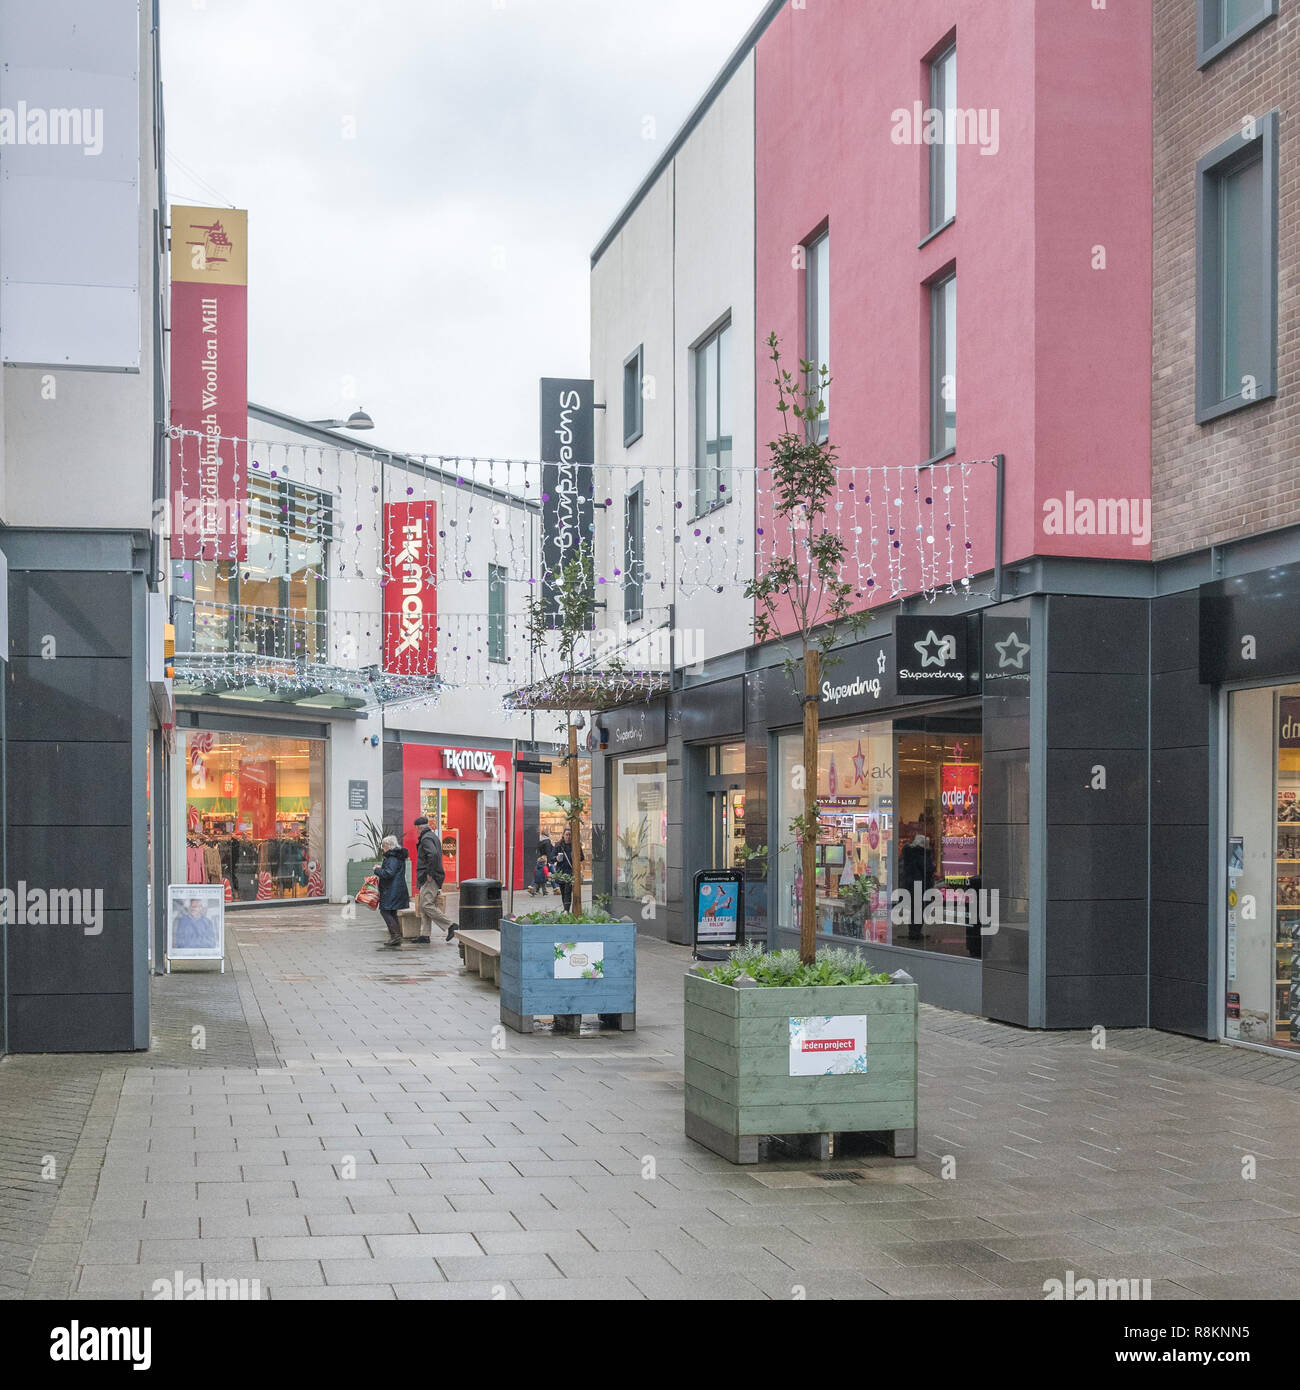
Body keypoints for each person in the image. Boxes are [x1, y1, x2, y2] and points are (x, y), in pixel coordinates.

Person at [414, 815, 456, 943]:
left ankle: (450, 925)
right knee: (425, 904)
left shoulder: (426, 838)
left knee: (426, 904)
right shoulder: (433, 836)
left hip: (429, 877)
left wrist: (430, 873)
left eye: (416, 829)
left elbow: (433, 854)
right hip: (431, 875)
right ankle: (425, 935)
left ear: (418, 828)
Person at [375, 835, 410, 949]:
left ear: (389, 846)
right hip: (395, 889)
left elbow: (389, 873)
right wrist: (382, 868)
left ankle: (395, 936)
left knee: (385, 911)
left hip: (391, 890)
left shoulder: (392, 858)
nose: (382, 848)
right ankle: (395, 936)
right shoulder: (396, 857)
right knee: (392, 912)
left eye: (384, 846)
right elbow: (392, 871)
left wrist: (377, 870)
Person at [555, 827, 581, 913]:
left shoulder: (575, 845)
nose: (568, 837)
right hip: (561, 872)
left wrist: (576, 857)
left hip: (571, 872)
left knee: (567, 891)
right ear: (563, 835)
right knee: (563, 892)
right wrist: (556, 858)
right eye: (566, 835)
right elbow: (551, 858)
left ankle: (566, 910)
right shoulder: (558, 845)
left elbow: (582, 857)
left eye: (570, 835)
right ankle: (565, 909)